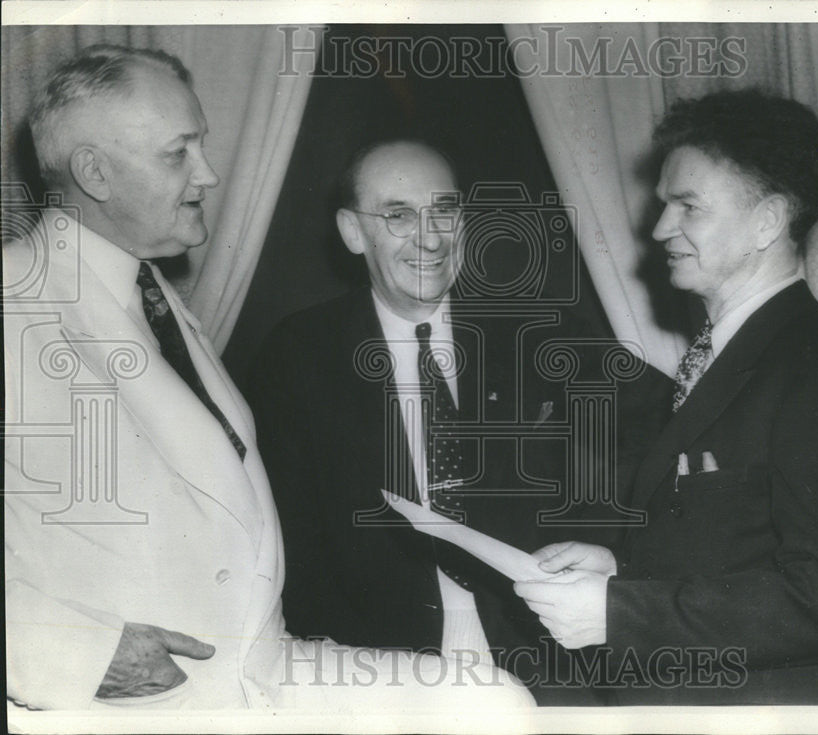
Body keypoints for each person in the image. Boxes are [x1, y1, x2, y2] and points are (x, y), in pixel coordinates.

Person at [3, 45, 533, 715]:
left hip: (256, 672)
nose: (211, 173)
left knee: (490, 705)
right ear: (95, 172)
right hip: (124, 704)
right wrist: (78, 649)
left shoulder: (158, 303)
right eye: (179, 153)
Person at [249, 139, 668, 704]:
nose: (431, 237)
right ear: (352, 232)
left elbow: (675, 427)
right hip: (382, 668)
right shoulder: (299, 353)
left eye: (444, 211)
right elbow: (288, 539)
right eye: (398, 215)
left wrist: (626, 564)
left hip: (546, 653)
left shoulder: (540, 329)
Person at [514, 89, 818, 705]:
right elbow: (733, 547)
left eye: (689, 206)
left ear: (767, 221)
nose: (660, 228)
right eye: (665, 205)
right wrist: (619, 573)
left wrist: (620, 612)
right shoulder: (727, 351)